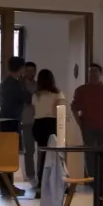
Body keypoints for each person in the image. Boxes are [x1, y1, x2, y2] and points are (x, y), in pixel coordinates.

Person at [70, 63, 103, 178]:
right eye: (89, 72)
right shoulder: (81, 90)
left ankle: (102, 178)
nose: (91, 74)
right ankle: (92, 179)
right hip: (88, 127)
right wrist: (80, 124)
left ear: (100, 74)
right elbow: (74, 108)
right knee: (90, 154)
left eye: (94, 71)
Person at [0, 57, 29, 197]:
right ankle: (8, 186)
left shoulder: (4, 83)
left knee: (5, 154)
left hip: (3, 120)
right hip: (11, 120)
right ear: (21, 68)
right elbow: (26, 99)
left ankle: (5, 185)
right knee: (10, 154)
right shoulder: (15, 84)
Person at [31, 69, 65, 199]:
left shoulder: (36, 95)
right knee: (56, 154)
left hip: (38, 125)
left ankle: (41, 184)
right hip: (52, 124)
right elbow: (59, 111)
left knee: (42, 155)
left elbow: (34, 111)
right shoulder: (57, 93)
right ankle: (58, 182)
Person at [20, 61, 37, 183]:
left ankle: (41, 175)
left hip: (39, 119)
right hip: (26, 121)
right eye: (28, 71)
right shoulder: (19, 85)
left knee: (42, 149)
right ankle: (30, 175)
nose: (30, 73)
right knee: (29, 150)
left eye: (32, 71)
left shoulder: (39, 85)